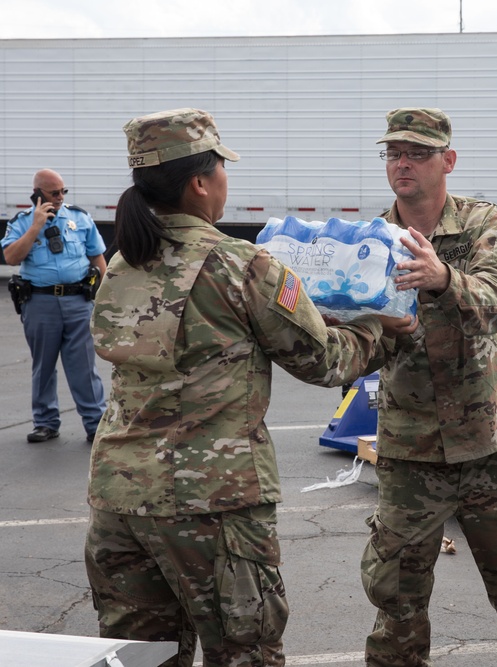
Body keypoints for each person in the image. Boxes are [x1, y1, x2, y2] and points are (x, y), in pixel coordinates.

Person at [83, 108, 412, 667]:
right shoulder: (241, 265)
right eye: (221, 170)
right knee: (246, 654)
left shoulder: (122, 262)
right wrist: (381, 328)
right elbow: (323, 361)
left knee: (141, 657)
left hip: (118, 500)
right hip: (213, 504)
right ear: (200, 182)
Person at [359, 108, 497, 667]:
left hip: (489, 442)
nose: (403, 163)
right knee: (396, 601)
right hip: (410, 447)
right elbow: (362, 338)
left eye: (418, 153)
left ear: (447, 161)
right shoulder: (373, 241)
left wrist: (443, 278)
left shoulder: (484, 223)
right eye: (393, 153)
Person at [1, 169, 107, 443]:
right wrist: (36, 226)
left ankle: (96, 423)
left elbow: (98, 258)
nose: (60, 197)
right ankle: (45, 423)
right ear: (37, 193)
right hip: (40, 302)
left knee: (84, 366)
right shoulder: (22, 222)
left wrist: (106, 296)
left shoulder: (80, 218)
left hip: (78, 301)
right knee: (43, 365)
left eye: (63, 192)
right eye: (54, 192)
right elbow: (11, 257)